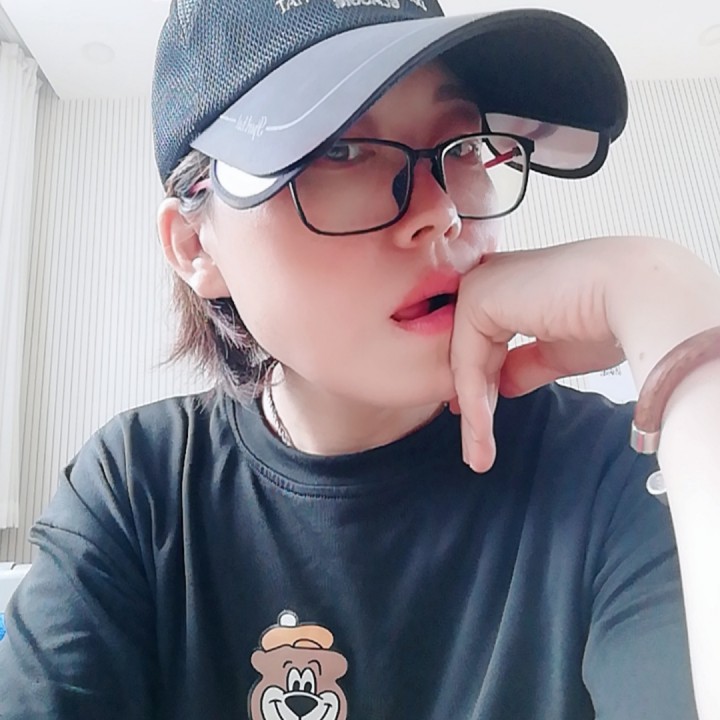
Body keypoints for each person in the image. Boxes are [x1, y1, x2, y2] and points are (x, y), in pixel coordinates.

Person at [1, 1, 719, 719]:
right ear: (196, 245)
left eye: (464, 146)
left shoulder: (614, 470)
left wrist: (674, 309)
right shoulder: (140, 488)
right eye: (337, 149)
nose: (440, 212)